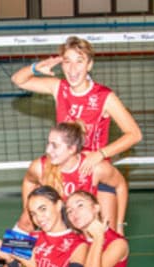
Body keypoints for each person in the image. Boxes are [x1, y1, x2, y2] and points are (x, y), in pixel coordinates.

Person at [11, 36, 142, 231]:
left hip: (93, 170)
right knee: (28, 222)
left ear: (89, 65)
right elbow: (18, 80)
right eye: (67, 61)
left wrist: (100, 154)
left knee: (107, 233)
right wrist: (37, 67)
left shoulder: (104, 96)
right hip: (63, 167)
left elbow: (134, 134)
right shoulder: (59, 87)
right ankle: (12, 252)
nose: (72, 69)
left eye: (79, 61)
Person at [16, 121, 128, 234]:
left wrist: (119, 224)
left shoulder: (96, 168)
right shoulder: (40, 167)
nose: (48, 150)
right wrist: (28, 210)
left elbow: (120, 185)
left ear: (72, 149)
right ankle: (16, 245)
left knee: (108, 234)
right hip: (62, 212)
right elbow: (29, 181)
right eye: (48, 143)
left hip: (83, 213)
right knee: (26, 222)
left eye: (55, 146)